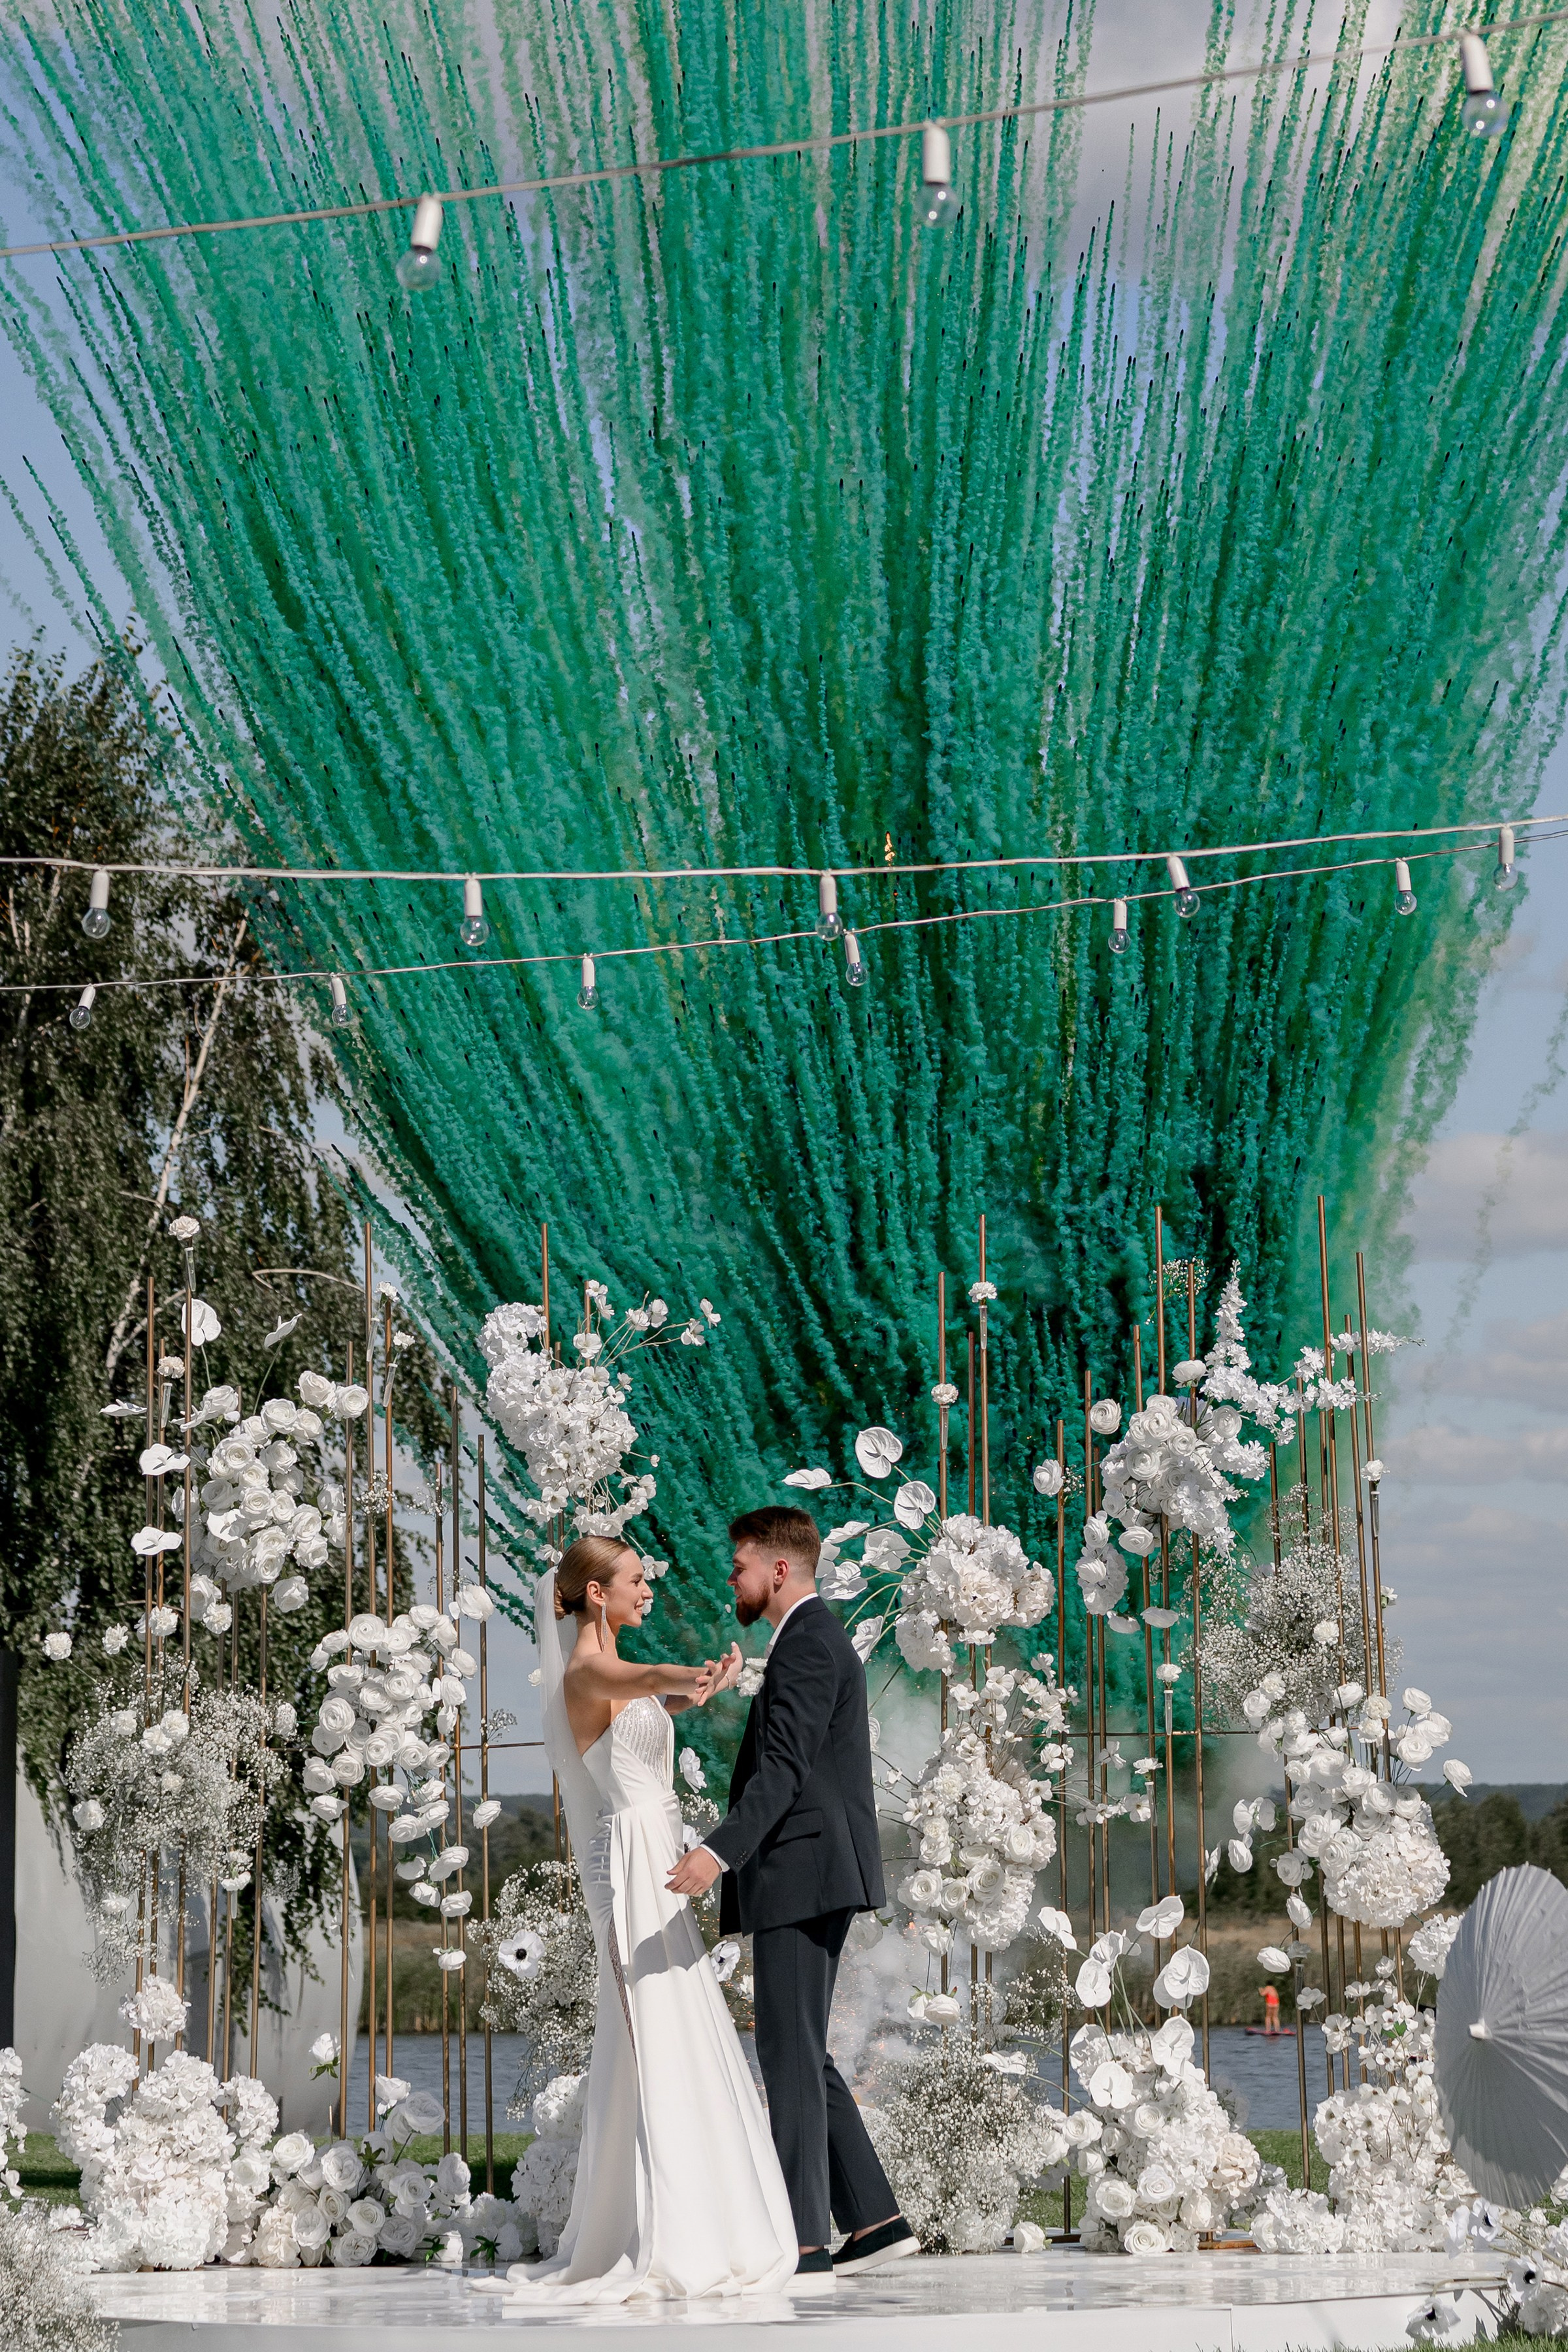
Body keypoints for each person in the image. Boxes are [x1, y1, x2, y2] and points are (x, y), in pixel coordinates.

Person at [492, 1535, 798, 2306]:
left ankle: (700, 2210)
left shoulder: (620, 1679)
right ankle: (656, 2225)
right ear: (597, 1594)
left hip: (654, 1847)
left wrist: (706, 1689)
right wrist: (687, 1676)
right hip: (625, 1855)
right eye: (635, 1580)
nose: (648, 1589)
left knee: (679, 2019)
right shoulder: (588, 1670)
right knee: (647, 2025)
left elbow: (659, 1700)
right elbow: (649, 1679)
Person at [666, 1505, 919, 2282]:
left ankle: (805, 2242)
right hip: (807, 1871)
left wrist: (716, 1853)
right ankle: (874, 2222)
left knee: (787, 2055)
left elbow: (782, 1771)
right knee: (800, 2050)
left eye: (738, 1564)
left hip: (803, 1873)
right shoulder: (805, 1640)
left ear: (779, 1569)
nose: (730, 1577)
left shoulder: (809, 1643)